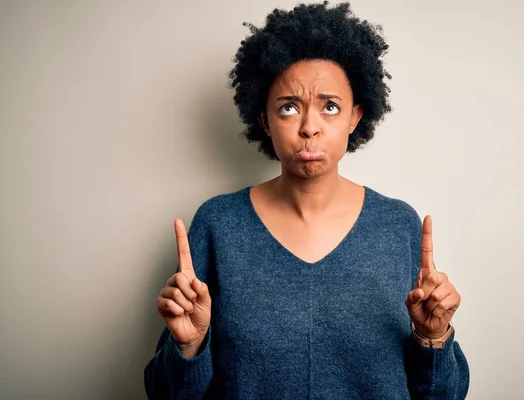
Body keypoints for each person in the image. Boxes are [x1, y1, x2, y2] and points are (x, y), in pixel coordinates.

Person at [144, 2, 470, 399]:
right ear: (264, 120)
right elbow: (166, 394)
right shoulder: (219, 225)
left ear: (354, 116)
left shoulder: (398, 225)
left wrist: (433, 337)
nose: (309, 127)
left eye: (330, 107)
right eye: (288, 108)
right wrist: (189, 346)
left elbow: (444, 395)